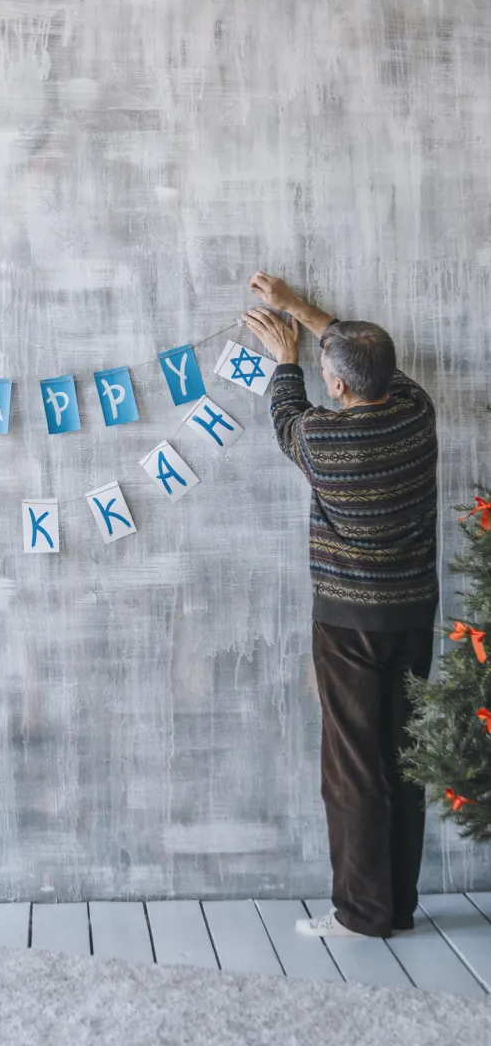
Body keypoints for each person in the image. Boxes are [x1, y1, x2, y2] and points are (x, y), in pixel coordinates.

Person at [243, 273, 438, 940]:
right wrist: (301, 313)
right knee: (401, 759)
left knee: (352, 770)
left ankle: (360, 914)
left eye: (330, 371)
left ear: (338, 386)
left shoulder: (321, 440)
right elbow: (349, 363)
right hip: (412, 614)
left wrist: (284, 355)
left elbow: (281, 415)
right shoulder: (415, 411)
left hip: (348, 623)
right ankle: (397, 904)